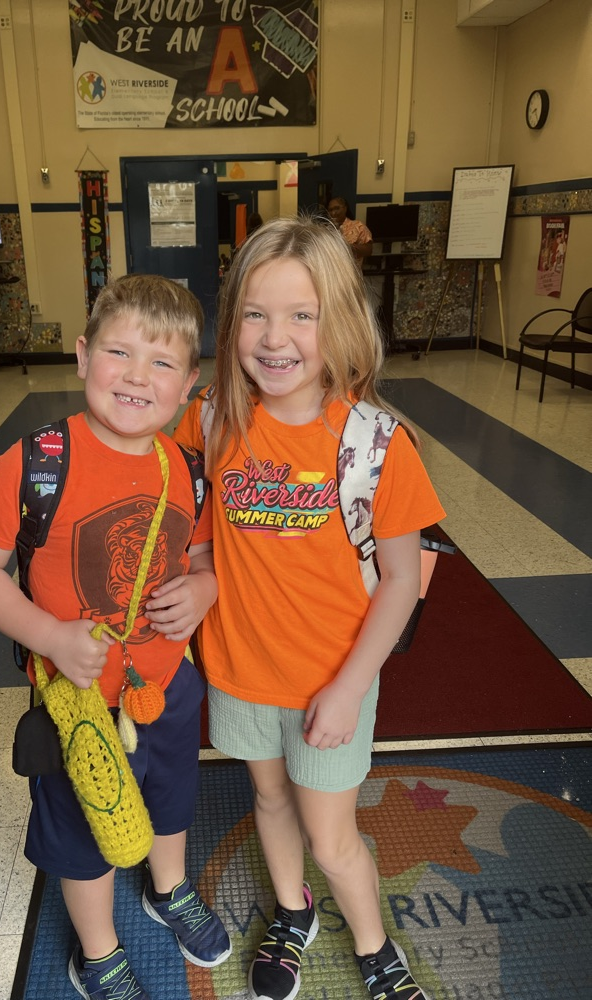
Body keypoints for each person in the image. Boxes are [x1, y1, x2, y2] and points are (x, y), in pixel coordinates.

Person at [171, 216, 445, 1000]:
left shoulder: (376, 443)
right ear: (231, 324)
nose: (274, 336)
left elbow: (399, 579)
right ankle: (292, 914)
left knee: (332, 836)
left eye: (303, 314)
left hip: (334, 681)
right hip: (240, 667)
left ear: (343, 321)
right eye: (255, 313)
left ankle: (374, 947)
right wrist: (196, 578)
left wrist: (350, 688)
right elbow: (199, 532)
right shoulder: (215, 418)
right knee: (266, 797)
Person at [0, 274, 231, 1000]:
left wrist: (204, 588)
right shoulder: (36, 462)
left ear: (189, 384)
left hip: (165, 686)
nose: (138, 377)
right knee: (83, 831)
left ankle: (167, 888)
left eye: (162, 363)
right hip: (75, 705)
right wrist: (49, 635)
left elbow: (199, 555)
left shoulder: (185, 470)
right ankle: (97, 950)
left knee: (170, 800)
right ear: (82, 356)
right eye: (120, 353)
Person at [328, 195, 374, 266]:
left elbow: (368, 250)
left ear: (345, 208)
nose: (333, 213)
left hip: (351, 273)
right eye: (330, 210)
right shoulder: (326, 229)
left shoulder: (358, 226)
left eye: (337, 208)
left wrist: (346, 247)